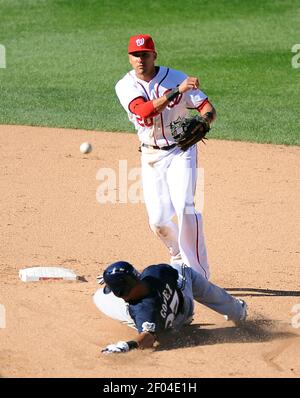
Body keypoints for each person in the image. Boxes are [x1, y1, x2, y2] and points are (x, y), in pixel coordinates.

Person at [115, 34, 217, 280]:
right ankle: (177, 254)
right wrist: (177, 92)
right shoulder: (125, 86)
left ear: (154, 55)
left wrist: (205, 120)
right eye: (136, 55)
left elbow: (207, 107)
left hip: (181, 151)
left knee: (185, 206)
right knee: (159, 221)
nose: (141, 59)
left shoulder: (175, 76)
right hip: (150, 154)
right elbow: (144, 111)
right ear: (129, 58)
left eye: (145, 54)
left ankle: (199, 275)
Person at [94, 261, 247, 354]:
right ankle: (237, 310)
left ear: (120, 292)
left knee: (99, 297)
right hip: (185, 306)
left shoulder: (143, 310)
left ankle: (155, 326)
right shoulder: (154, 272)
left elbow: (147, 338)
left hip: (171, 325)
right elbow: (167, 272)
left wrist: (127, 345)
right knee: (181, 267)